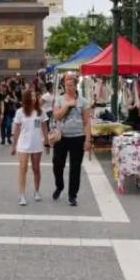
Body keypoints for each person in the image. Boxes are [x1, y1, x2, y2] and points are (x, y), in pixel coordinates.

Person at [52, 75, 93, 206]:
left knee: (75, 168)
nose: (68, 88)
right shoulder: (59, 100)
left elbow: (87, 122)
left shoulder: (84, 101)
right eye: (66, 85)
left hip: (78, 137)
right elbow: (56, 116)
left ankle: (72, 195)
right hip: (61, 137)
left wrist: (87, 140)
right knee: (57, 164)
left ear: (75, 85)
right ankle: (59, 186)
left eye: (71, 85)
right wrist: (67, 105)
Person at [11, 89, 49, 206]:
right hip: (23, 144)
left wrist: (47, 143)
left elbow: (44, 128)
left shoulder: (40, 112)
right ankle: (21, 195)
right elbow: (16, 129)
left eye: (35, 96)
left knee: (36, 169)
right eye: (31, 96)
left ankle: (37, 191)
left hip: (37, 143)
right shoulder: (20, 112)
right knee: (23, 168)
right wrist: (13, 144)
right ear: (26, 98)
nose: (33, 98)